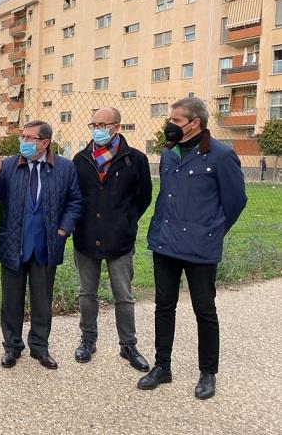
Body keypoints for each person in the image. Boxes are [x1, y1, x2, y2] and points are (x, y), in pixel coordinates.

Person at [138, 97, 247, 400]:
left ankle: (208, 373)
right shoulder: (169, 153)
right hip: (166, 243)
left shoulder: (221, 156)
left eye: (175, 120)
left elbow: (236, 201)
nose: (169, 125)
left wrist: (213, 231)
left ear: (194, 123)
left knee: (204, 310)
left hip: (201, 248)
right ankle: (162, 367)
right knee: (164, 307)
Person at [0, 121, 82, 370]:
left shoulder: (64, 168)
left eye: (30, 138)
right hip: (13, 244)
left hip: (46, 246)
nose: (23, 142)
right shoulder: (7, 165)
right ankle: (12, 347)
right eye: (22, 137)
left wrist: (63, 229)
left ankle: (39, 347)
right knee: (11, 301)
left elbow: (75, 201)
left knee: (41, 301)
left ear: (45, 143)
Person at [72, 107, 152, 371]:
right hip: (86, 238)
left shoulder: (135, 159)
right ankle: (87, 340)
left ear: (116, 127)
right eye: (94, 124)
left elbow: (143, 198)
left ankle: (128, 345)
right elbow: (74, 197)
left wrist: (125, 221)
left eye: (103, 124)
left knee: (124, 296)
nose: (98, 129)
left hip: (120, 240)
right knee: (87, 294)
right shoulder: (81, 159)